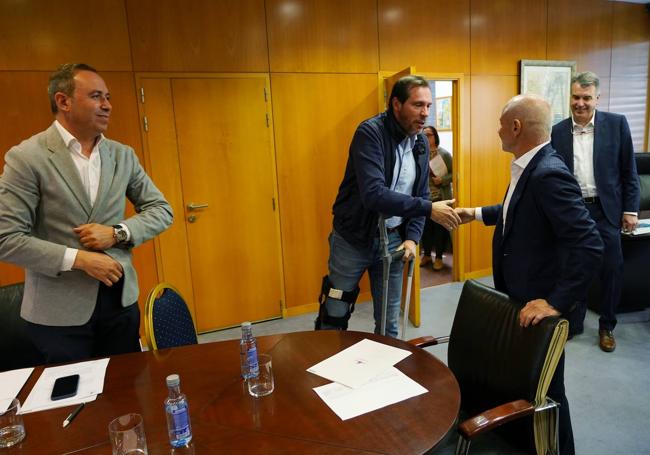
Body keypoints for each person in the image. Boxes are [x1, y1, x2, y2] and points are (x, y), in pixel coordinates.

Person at [455, 94, 603, 455]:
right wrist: (472, 213)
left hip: (540, 306)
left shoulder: (548, 172)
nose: (498, 130)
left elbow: (589, 243)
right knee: (531, 389)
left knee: (548, 395)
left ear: (517, 127)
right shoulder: (531, 166)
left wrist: (556, 302)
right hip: (520, 299)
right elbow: (513, 210)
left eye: (502, 124)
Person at [0, 63, 173, 364]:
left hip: (120, 303)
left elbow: (161, 209)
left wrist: (118, 232)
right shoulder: (27, 158)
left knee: (125, 393)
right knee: (74, 403)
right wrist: (79, 259)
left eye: (107, 97)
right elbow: (7, 238)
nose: (106, 105)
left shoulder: (122, 155)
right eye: (96, 96)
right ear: (63, 101)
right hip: (58, 315)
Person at [314, 75, 461, 338]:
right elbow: (374, 194)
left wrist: (413, 238)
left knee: (388, 321)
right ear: (396, 104)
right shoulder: (370, 133)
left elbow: (420, 194)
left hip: (393, 240)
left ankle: (386, 375)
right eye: (418, 105)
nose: (425, 113)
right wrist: (428, 210)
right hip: (352, 238)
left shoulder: (420, 144)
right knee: (334, 312)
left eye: (428, 106)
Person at [551, 71, 640, 352]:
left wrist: (631, 210)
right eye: (576, 97)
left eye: (586, 98)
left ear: (597, 98)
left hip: (606, 210)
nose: (580, 103)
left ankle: (607, 326)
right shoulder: (557, 131)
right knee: (572, 268)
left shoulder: (616, 125)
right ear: (570, 97)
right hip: (573, 211)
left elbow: (629, 172)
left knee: (611, 269)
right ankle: (573, 323)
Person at [420, 125, 452, 271]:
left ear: (435, 136)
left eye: (429, 135)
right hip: (425, 199)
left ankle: (438, 257)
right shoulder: (420, 153)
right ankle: (426, 255)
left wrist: (443, 180)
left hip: (441, 197)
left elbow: (455, 174)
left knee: (440, 229)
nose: (426, 137)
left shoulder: (444, 154)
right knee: (425, 229)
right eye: (424, 134)